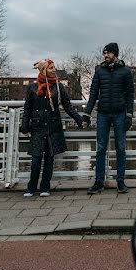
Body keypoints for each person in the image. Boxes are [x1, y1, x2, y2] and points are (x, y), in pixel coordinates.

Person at [19, 59, 86, 197]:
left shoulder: (58, 87)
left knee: (50, 159)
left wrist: (79, 119)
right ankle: (31, 186)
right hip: (37, 127)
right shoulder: (32, 87)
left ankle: (45, 187)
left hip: (52, 126)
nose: (54, 70)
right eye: (51, 68)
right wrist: (24, 125)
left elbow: (67, 106)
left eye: (54, 67)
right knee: (35, 160)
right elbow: (28, 108)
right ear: (43, 70)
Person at [82, 42, 134, 194]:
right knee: (101, 148)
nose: (105, 55)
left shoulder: (125, 72)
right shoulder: (99, 71)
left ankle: (120, 181)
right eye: (104, 53)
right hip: (103, 114)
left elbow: (130, 95)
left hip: (120, 113)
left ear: (115, 54)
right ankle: (99, 182)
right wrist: (87, 114)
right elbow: (93, 94)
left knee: (120, 148)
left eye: (108, 53)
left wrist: (129, 115)